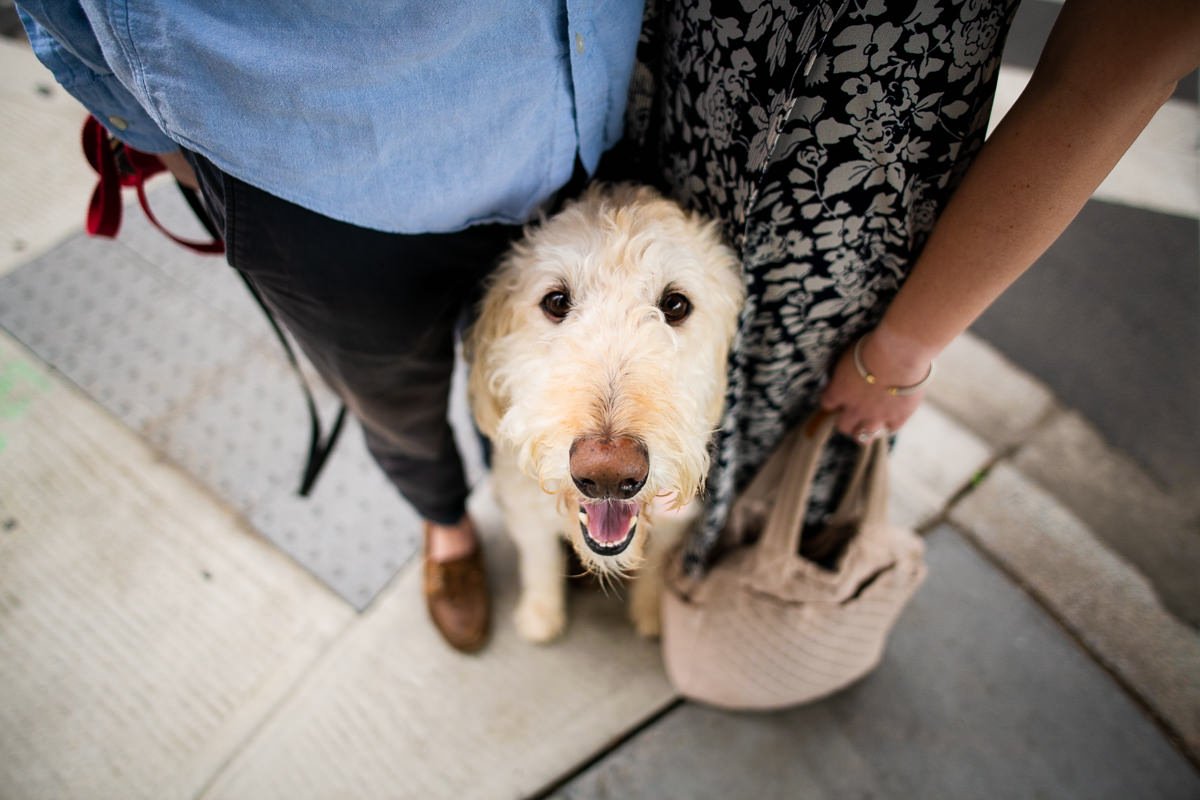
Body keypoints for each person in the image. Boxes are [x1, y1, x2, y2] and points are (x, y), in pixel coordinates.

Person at [16, 1, 646, 653]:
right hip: (317, 180)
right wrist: (163, 141)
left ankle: (536, 501)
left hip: (561, 136)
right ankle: (446, 524)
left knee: (542, 392)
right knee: (390, 400)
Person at [618, 0, 1199, 572]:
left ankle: (722, 617)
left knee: (774, 504)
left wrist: (901, 351)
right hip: (666, 163)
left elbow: (1096, 88)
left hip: (822, 280)